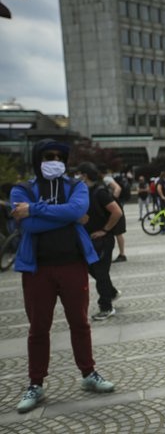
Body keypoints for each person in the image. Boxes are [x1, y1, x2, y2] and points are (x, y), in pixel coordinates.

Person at [10, 139, 114, 414]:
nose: (53, 160)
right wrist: (64, 215)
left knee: (80, 323)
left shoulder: (75, 186)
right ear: (37, 160)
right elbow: (30, 226)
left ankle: (88, 374)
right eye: (47, 156)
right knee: (38, 328)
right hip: (37, 269)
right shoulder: (23, 189)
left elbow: (78, 210)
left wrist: (34, 209)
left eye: (58, 156)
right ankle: (35, 383)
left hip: (73, 264)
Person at [76, 162, 123, 320]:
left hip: (102, 240)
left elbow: (117, 212)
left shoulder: (99, 192)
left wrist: (105, 230)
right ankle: (112, 292)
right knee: (94, 270)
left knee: (101, 272)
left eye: (79, 174)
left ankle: (106, 307)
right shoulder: (85, 191)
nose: (77, 177)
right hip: (90, 240)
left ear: (85, 175)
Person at [99, 167, 127, 263]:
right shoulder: (108, 178)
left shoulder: (106, 179)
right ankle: (121, 253)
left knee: (118, 232)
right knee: (118, 233)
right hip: (116, 207)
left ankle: (122, 254)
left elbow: (118, 188)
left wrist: (112, 200)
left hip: (115, 208)